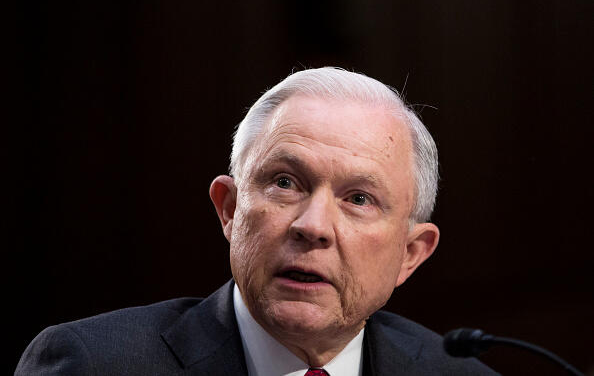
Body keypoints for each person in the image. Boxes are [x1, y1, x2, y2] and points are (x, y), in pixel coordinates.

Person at [16, 68, 497, 375]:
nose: (314, 226)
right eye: (285, 183)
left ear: (410, 255)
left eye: (359, 198)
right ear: (229, 208)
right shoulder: (95, 364)